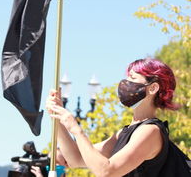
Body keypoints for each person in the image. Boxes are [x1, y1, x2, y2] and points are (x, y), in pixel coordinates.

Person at [46, 58, 179, 177]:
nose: (125, 83)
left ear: (153, 88)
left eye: (132, 78)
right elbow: (76, 158)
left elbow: (107, 171)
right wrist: (57, 118)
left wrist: (76, 129)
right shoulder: (126, 133)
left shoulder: (151, 131)